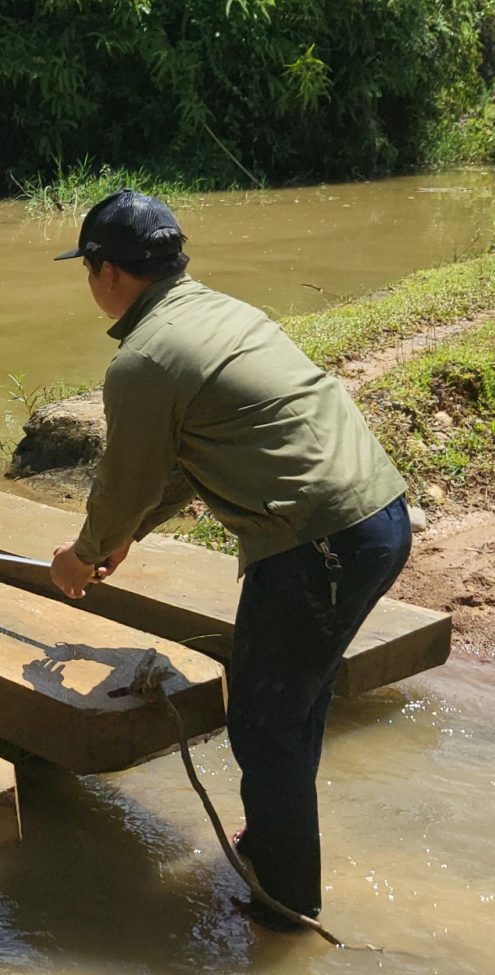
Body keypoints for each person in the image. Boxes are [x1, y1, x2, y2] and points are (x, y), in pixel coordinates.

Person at [45, 189, 413, 932]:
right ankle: (277, 841)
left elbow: (124, 482)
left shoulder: (143, 360)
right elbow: (182, 464)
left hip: (316, 545)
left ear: (107, 271)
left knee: (263, 723)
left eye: (88, 268)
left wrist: (83, 555)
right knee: (290, 704)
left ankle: (284, 907)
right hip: (377, 520)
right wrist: (129, 536)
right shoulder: (215, 312)